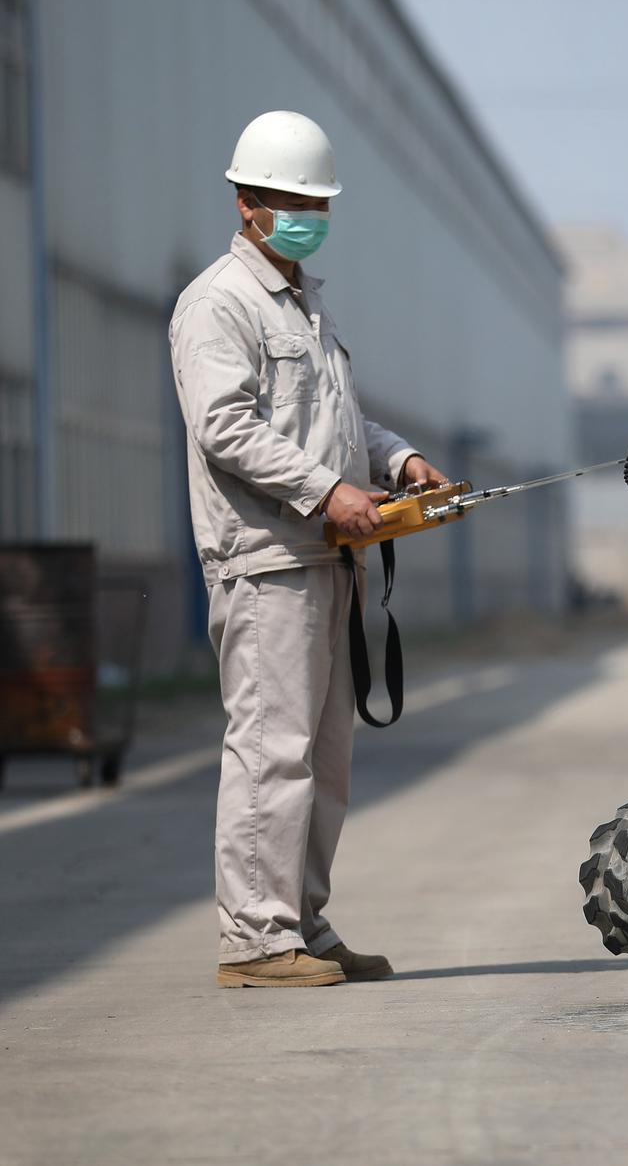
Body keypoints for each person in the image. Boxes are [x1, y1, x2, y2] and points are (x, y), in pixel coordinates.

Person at [169, 111, 450, 988]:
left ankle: (304, 927)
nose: (307, 214)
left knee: (326, 760)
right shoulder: (218, 303)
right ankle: (255, 941)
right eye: (291, 200)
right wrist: (327, 490)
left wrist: (394, 458)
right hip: (266, 562)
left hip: (328, 562)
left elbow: (337, 419)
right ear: (246, 202)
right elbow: (225, 427)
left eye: (317, 201)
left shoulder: (305, 301)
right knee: (272, 751)